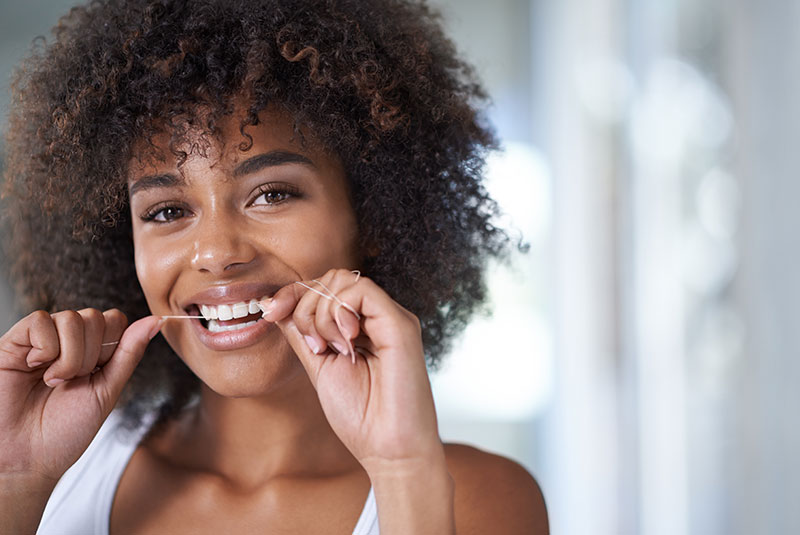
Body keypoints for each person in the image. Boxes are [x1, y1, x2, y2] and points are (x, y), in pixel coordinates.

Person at [0, 0, 548, 533]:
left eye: (272, 194)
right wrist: (15, 480)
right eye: (167, 210)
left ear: (374, 217)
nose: (216, 253)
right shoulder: (56, 473)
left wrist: (402, 470)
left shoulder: (481, 498)